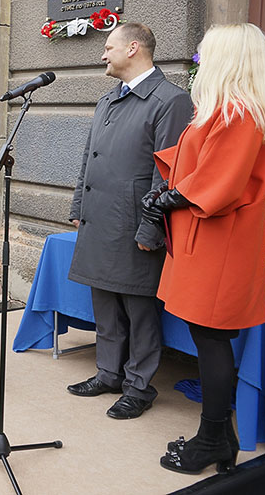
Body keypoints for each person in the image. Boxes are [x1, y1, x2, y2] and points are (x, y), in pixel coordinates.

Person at [143, 24, 265, 474]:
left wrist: (172, 196)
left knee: (211, 338)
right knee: (210, 337)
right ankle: (219, 436)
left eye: (205, 53)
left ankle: (212, 440)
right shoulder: (229, 110)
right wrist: (169, 191)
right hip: (210, 237)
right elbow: (200, 164)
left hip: (218, 240)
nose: (198, 60)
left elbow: (220, 180)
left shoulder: (239, 113)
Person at [64, 23, 193, 420]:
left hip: (134, 223)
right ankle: (108, 373)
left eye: (108, 47)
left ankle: (139, 385)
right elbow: (90, 158)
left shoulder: (170, 100)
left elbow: (167, 173)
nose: (103, 54)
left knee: (139, 311)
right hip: (100, 220)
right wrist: (78, 208)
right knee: (104, 302)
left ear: (133, 48)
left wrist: (150, 228)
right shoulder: (108, 100)